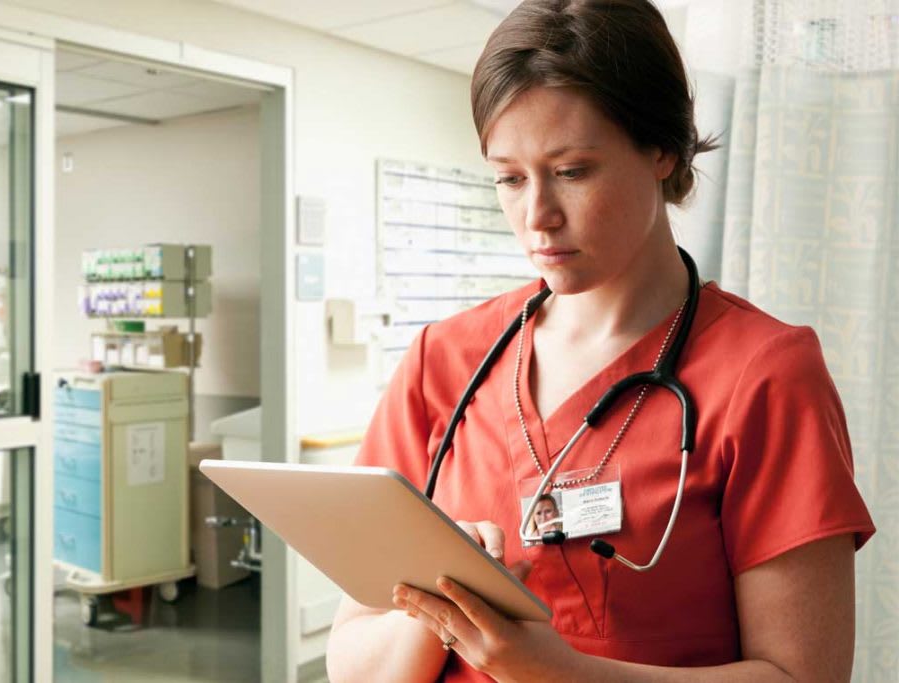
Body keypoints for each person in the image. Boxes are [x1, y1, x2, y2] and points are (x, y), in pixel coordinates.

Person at [325, 1, 875, 681]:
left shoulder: (764, 374)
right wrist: (443, 604)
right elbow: (352, 659)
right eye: (509, 177)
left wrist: (555, 670)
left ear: (662, 148)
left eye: (573, 170)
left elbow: (804, 675)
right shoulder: (445, 360)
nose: (537, 217)